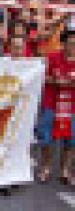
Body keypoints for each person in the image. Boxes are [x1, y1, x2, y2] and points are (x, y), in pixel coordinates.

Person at [38, 29, 75, 184]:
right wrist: (55, 81)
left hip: (72, 107)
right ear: (63, 43)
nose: (73, 46)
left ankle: (65, 170)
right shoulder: (52, 57)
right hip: (51, 104)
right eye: (70, 43)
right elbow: (40, 76)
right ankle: (46, 167)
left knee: (71, 140)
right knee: (46, 138)